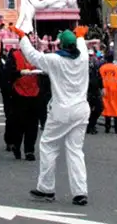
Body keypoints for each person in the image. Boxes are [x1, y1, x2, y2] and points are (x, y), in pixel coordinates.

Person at [10, 23, 90, 206]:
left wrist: (23, 37)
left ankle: (46, 188)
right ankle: (80, 192)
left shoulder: (55, 60)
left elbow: (32, 56)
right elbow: (81, 44)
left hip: (61, 110)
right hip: (81, 110)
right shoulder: (83, 58)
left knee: (48, 145)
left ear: (60, 45)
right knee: (75, 150)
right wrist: (79, 35)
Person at [5, 40, 41, 158]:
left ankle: (29, 150)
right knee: (18, 123)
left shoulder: (36, 55)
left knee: (33, 124)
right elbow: (8, 73)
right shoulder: (14, 55)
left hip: (34, 93)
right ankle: (16, 144)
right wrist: (20, 72)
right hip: (19, 93)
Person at [99, 53, 117, 133]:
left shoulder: (102, 68)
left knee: (107, 108)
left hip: (105, 91)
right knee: (116, 109)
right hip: (115, 91)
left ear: (106, 59)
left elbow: (99, 79)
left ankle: (107, 128)